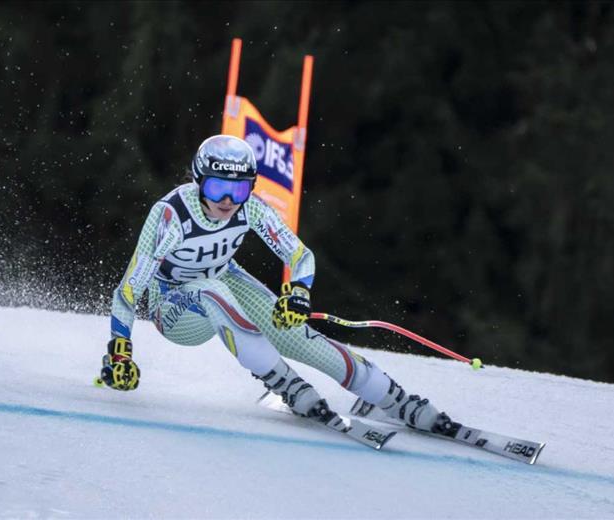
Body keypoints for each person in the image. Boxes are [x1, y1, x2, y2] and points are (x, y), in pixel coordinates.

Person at [102, 134, 459, 435]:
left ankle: (393, 398)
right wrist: (121, 349)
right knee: (214, 292)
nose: (227, 200)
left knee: (294, 333)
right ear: (198, 181)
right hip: (172, 306)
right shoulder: (171, 215)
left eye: (239, 189)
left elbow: (300, 256)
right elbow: (130, 289)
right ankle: (287, 384)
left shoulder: (249, 209)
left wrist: (300, 293)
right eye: (217, 187)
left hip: (224, 277)